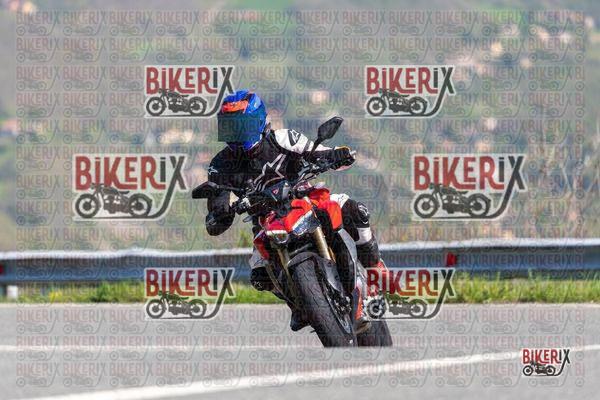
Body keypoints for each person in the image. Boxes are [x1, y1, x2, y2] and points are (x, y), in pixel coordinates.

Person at [204, 89, 388, 332]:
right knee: (259, 275)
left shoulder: (282, 138)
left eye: (241, 125)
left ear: (257, 121)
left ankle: (374, 267)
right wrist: (219, 215)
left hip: (305, 197)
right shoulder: (220, 165)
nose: (236, 133)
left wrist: (337, 155)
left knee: (355, 211)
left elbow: (317, 152)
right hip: (265, 220)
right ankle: (300, 303)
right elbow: (216, 208)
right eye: (230, 127)